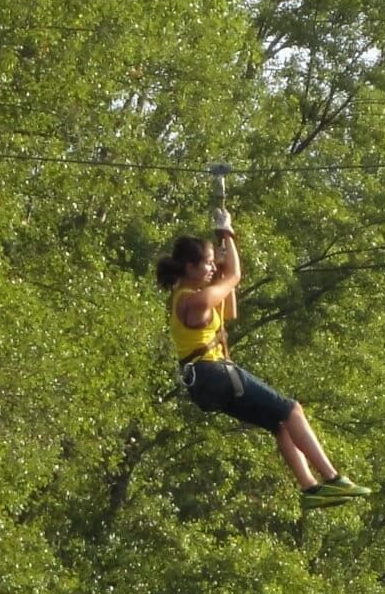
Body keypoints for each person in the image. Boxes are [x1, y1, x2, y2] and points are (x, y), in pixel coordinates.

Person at [157, 213, 368, 507]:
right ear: (189, 267)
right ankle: (333, 479)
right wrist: (227, 234)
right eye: (206, 262)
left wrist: (220, 266)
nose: (211, 266)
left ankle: (310, 490)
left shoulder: (190, 296)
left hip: (203, 383)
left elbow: (229, 308)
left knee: (279, 423)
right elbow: (234, 277)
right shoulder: (195, 301)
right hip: (214, 374)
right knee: (292, 409)